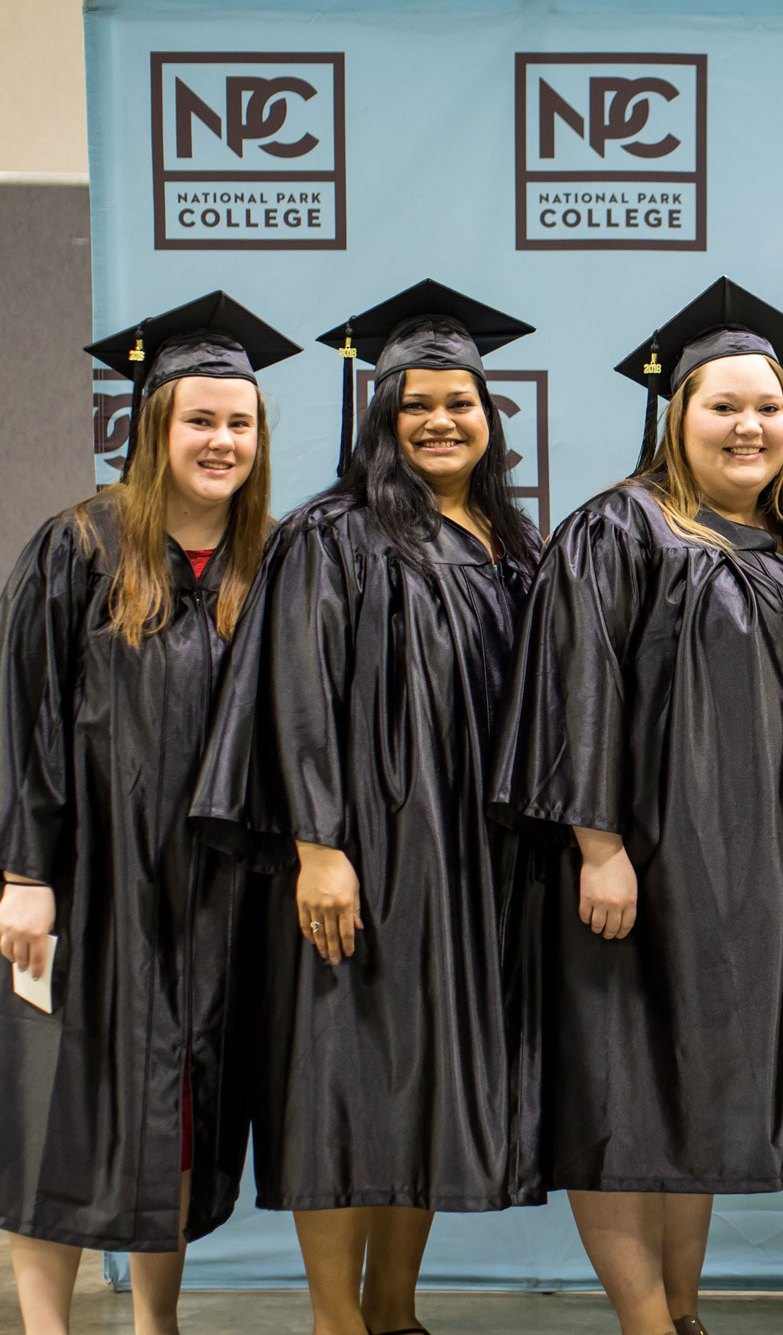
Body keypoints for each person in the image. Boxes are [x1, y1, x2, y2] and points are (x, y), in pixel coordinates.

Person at [0, 292, 296, 1335]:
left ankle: (156, 1322)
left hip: (211, 900)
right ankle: (47, 1328)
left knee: (175, 1120)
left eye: (240, 423)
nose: (222, 441)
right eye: (200, 421)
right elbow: (18, 711)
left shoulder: (268, 564)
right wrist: (23, 874)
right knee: (56, 1109)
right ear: (153, 429)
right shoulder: (78, 548)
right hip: (88, 886)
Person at [489, 278, 783, 1335]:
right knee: (620, 1097)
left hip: (751, 875)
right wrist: (599, 844)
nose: (750, 427)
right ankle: (646, 1322)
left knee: (694, 1094)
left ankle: (683, 1313)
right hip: (638, 865)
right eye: (724, 406)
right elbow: (575, 687)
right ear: (676, 416)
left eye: (769, 408)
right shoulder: (618, 529)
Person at [191, 281, 545, 1335]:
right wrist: (318, 848)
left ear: (490, 416)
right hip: (365, 854)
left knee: (426, 1083)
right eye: (415, 404)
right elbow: (295, 697)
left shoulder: (512, 544)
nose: (441, 421)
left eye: (462, 402)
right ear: (381, 420)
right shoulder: (332, 536)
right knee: (340, 1085)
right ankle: (336, 1319)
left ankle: (397, 1308)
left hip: (471, 863)